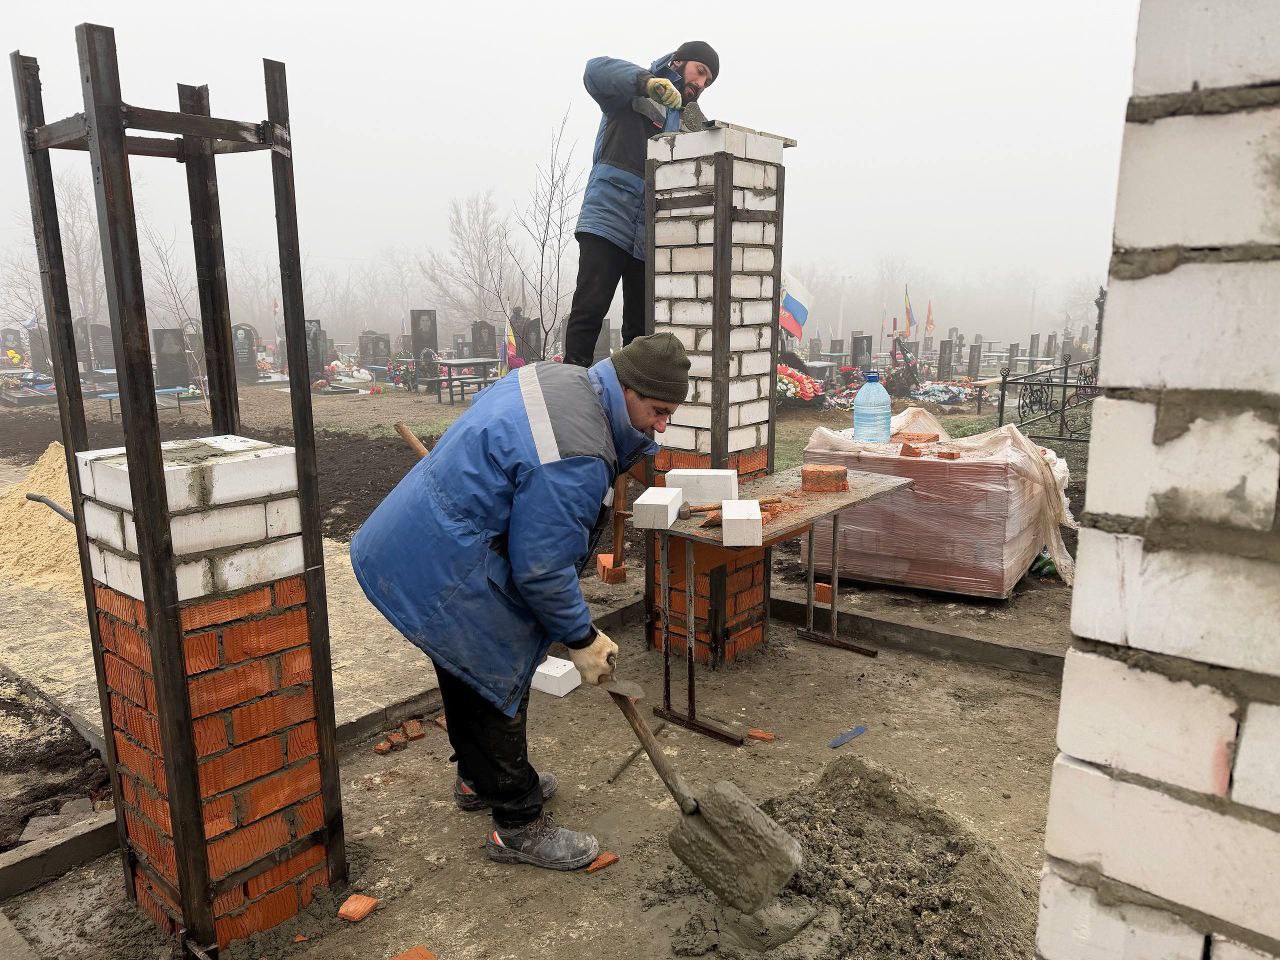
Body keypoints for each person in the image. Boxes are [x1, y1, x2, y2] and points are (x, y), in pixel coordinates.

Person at [350, 333, 690, 870]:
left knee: (462, 670)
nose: (662, 426)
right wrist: (581, 637)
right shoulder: (579, 452)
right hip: (450, 561)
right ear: (628, 389)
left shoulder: (562, 379)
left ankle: (476, 779)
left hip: (427, 538)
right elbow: (543, 569)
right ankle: (518, 823)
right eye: (659, 411)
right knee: (493, 675)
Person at [562, 41, 720, 368]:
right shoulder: (632, 90)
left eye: (708, 81)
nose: (701, 83)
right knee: (589, 311)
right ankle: (572, 384)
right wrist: (647, 83)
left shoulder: (687, 120)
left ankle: (629, 393)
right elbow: (594, 70)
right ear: (678, 62)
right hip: (607, 219)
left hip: (648, 236)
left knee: (639, 330)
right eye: (700, 71)